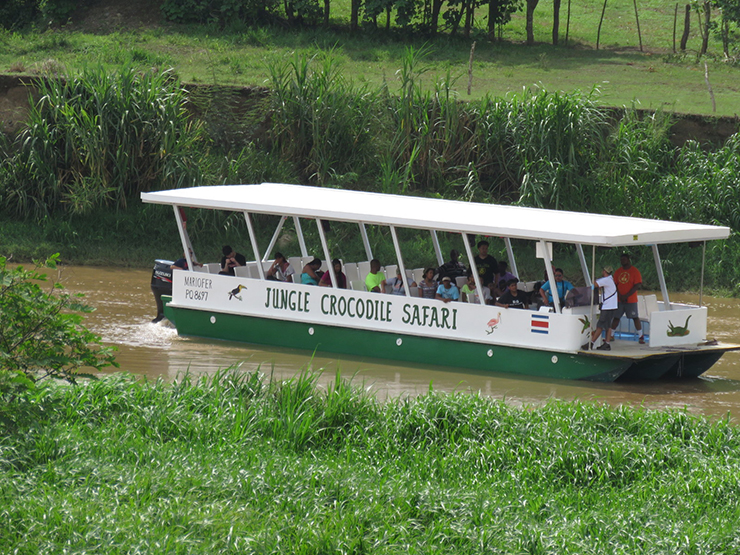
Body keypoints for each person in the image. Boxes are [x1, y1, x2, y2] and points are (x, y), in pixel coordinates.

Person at [611, 253, 645, 344]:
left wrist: (626, 296)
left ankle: (641, 336)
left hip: (631, 300)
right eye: (621, 260)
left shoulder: (635, 271)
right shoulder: (618, 271)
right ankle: (611, 335)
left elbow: (637, 285)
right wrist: (620, 295)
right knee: (616, 317)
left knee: (635, 317)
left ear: (628, 260)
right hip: (619, 299)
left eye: (624, 259)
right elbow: (615, 285)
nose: (622, 261)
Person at [583, 266, 618, 351]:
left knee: (600, 325)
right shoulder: (610, 279)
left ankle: (591, 343)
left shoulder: (606, 280)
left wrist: (594, 280)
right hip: (612, 306)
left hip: (608, 306)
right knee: (608, 325)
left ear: (604, 271)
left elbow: (595, 284)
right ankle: (607, 343)